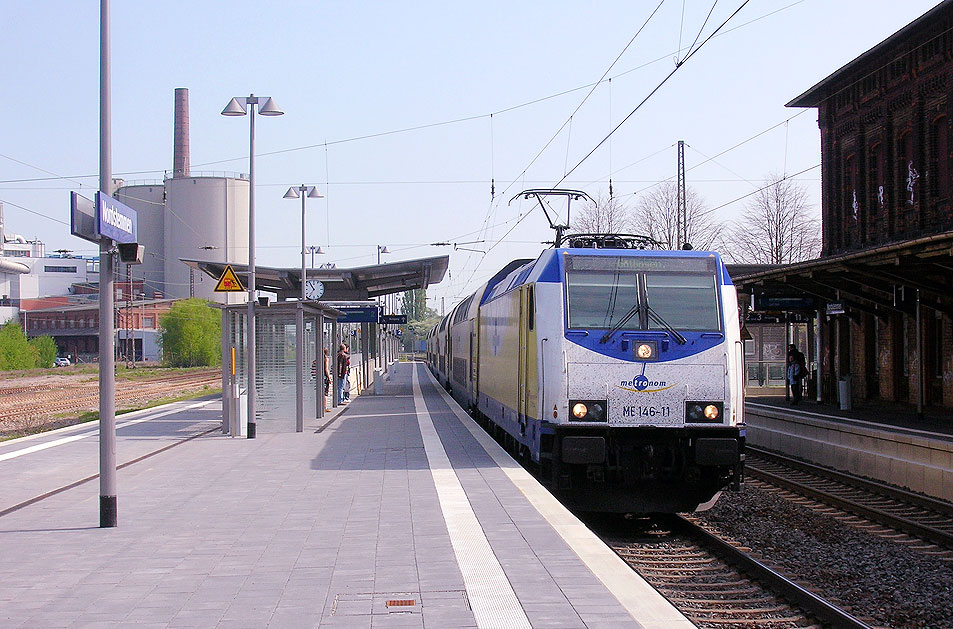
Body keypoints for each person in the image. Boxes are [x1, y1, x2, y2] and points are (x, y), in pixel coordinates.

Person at [323, 347, 332, 412]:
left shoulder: (317, 359)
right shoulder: (325, 359)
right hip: (324, 377)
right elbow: (326, 369)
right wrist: (329, 377)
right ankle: (324, 407)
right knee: (325, 393)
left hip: (318, 378)